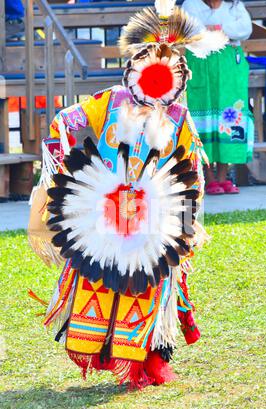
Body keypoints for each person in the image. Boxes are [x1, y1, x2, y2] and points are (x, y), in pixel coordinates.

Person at [28, 0, 227, 389]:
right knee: (101, 280)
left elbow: (191, 170)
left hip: (153, 219)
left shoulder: (179, 117)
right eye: (150, 54)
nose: (158, 62)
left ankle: (140, 361)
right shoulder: (111, 101)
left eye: (167, 57)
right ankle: (103, 350)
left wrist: (188, 222)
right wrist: (58, 168)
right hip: (104, 210)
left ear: (177, 69)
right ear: (137, 60)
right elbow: (65, 122)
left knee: (147, 283)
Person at [182, 0, 254, 195]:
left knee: (228, 116)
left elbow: (245, 29)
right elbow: (193, 32)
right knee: (205, 118)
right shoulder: (191, 5)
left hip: (230, 66)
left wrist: (217, 28)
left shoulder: (235, 5)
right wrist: (222, 32)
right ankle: (208, 177)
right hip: (202, 64)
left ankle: (223, 177)